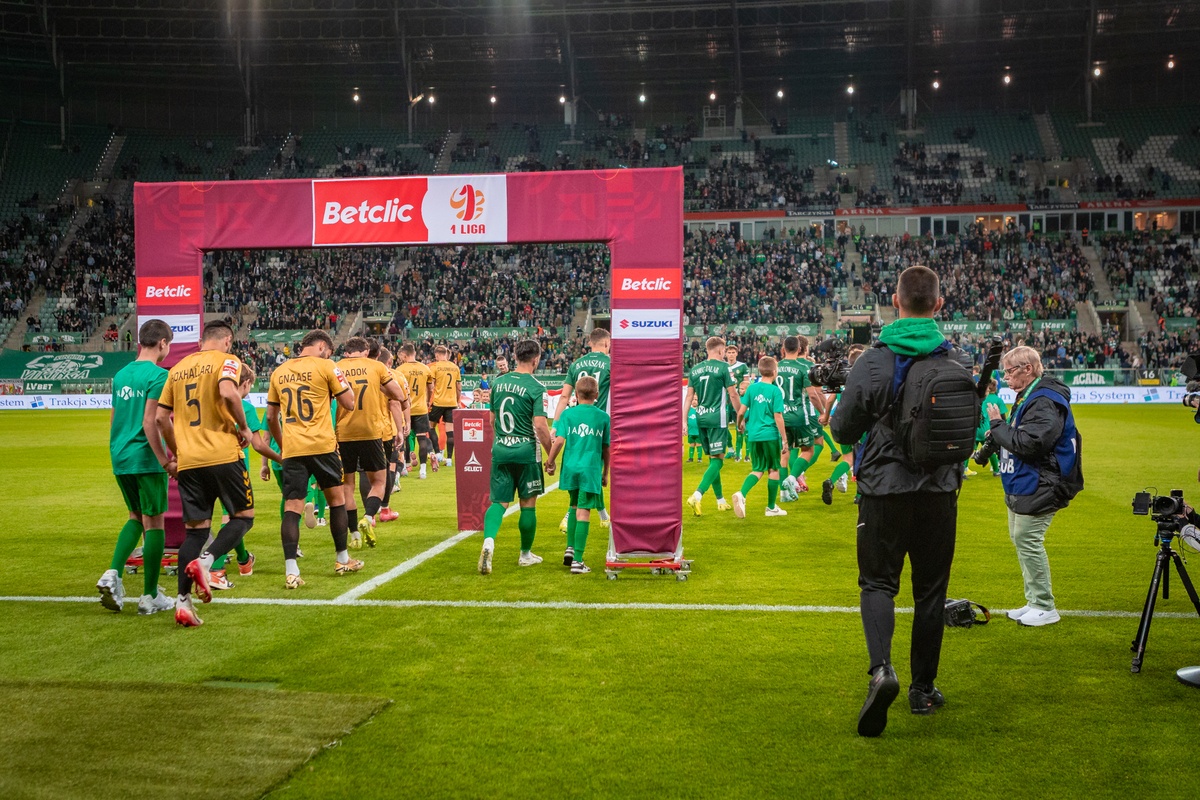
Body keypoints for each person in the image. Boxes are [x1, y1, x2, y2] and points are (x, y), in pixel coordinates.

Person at [831, 265, 967, 737]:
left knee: (877, 584)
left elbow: (842, 429)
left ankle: (882, 671)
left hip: (884, 490)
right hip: (939, 490)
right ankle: (922, 689)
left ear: (895, 302)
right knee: (931, 591)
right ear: (938, 304)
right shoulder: (958, 360)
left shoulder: (872, 361)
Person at [155, 320, 255, 628]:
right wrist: (244, 428)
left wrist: (176, 454)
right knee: (243, 517)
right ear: (227, 340)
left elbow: (161, 419)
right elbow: (228, 392)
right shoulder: (227, 361)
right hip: (222, 454)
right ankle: (207, 561)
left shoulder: (177, 369)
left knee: (196, 532)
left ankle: (183, 603)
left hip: (190, 461)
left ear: (201, 341)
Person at [987, 345, 1079, 628]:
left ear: (1028, 369)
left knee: (1027, 539)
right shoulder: (1031, 395)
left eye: (1009, 371)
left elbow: (1031, 443)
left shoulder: (1043, 400)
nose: (1005, 377)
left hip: (1042, 481)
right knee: (1021, 539)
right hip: (1027, 479)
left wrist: (997, 425)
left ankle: (1044, 605)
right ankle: (1034, 601)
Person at [265, 329, 359, 589]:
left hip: (294, 448)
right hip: (322, 445)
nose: (328, 355)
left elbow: (271, 417)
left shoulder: (279, 371)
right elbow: (349, 402)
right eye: (327, 351)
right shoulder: (327, 366)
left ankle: (291, 571)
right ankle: (342, 559)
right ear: (321, 346)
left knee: (292, 507)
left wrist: (284, 445)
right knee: (337, 501)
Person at [97, 318, 175, 616]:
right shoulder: (159, 376)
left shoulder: (121, 374)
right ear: (163, 343)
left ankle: (113, 573)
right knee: (154, 522)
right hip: (145, 456)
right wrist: (165, 459)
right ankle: (150, 595)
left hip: (120, 454)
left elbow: (114, 418)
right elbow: (152, 420)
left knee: (135, 516)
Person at [477, 339, 552, 575]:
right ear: (536, 360)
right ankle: (525, 555)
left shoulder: (498, 383)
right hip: (526, 452)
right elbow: (540, 426)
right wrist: (551, 455)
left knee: (499, 502)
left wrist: (503, 439)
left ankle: (489, 541)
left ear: (515, 358)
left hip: (501, 449)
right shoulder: (536, 387)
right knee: (528, 504)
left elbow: (491, 420)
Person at [209, 365, 280, 590]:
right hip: (233, 468)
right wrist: (282, 459)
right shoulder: (245, 408)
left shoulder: (212, 405)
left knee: (230, 516)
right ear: (246, 383)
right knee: (235, 518)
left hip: (204, 464)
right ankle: (215, 569)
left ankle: (243, 560)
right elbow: (258, 444)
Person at [335, 337, 405, 550]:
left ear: (346, 352)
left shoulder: (336, 367)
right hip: (371, 431)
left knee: (347, 485)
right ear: (366, 351)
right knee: (379, 482)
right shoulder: (376, 367)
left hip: (344, 432)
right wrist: (380, 388)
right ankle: (368, 517)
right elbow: (399, 395)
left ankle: (354, 534)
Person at [546, 375, 610, 574]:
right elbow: (606, 447)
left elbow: (559, 441)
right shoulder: (603, 417)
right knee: (584, 511)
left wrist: (550, 461)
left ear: (576, 394)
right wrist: (606, 472)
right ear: (597, 394)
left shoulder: (567, 415)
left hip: (570, 468)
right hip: (589, 469)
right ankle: (578, 561)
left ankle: (570, 548)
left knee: (574, 506)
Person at [554, 328, 612, 531]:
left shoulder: (576, 364)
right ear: (607, 344)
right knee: (593, 471)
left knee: (590, 470)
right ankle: (570, 515)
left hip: (575, 424)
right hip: (598, 424)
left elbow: (564, 396)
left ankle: (603, 515)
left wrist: (555, 425)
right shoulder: (611, 364)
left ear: (590, 343)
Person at [684, 337, 742, 515]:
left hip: (701, 418)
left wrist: (684, 420)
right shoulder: (724, 367)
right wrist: (740, 416)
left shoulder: (695, 369)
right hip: (717, 418)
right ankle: (697, 495)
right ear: (720, 350)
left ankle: (720, 500)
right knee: (718, 460)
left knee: (713, 459)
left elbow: (688, 397)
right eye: (724, 351)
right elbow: (733, 395)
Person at [732, 356, 789, 518]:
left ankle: (742, 493)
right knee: (774, 469)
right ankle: (771, 508)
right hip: (770, 435)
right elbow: (778, 416)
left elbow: (741, 412)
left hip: (754, 435)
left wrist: (739, 425)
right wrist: (784, 439)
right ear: (775, 371)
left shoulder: (751, 388)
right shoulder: (775, 391)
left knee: (757, 469)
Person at [777, 335, 826, 495]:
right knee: (809, 449)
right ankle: (794, 477)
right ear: (799, 349)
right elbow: (813, 395)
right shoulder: (804, 367)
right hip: (799, 415)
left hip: (780, 417)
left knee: (785, 452)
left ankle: (784, 493)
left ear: (783, 349)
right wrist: (822, 412)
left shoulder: (776, 367)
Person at [375, 346, 410, 523]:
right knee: (390, 466)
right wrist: (405, 424)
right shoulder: (396, 376)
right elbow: (402, 402)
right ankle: (384, 508)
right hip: (389, 428)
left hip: (366, 429)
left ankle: (370, 512)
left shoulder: (366, 374)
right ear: (389, 361)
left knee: (368, 471)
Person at [397, 344, 435, 478]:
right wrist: (427, 401)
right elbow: (431, 388)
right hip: (421, 409)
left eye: (400, 356)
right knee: (422, 438)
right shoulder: (425, 368)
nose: (400, 359)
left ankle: (404, 467)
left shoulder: (400, 370)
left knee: (404, 438)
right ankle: (423, 470)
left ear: (404, 355)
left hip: (405, 409)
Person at [428, 345, 462, 466]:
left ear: (437, 355)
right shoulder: (455, 367)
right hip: (451, 403)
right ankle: (449, 459)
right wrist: (457, 400)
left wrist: (428, 400)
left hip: (438, 402)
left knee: (430, 426)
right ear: (446, 354)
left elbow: (431, 386)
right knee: (450, 431)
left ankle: (437, 453)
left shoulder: (435, 367)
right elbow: (459, 387)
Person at [977, 378, 1007, 477]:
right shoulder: (998, 400)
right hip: (987, 428)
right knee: (991, 448)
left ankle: (964, 469)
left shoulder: (979, 398)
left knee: (970, 450)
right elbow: (1003, 416)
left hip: (976, 428)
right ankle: (996, 469)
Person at [724, 344, 750, 461]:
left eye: (733, 352)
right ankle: (730, 450)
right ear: (726, 354)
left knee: (739, 425)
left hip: (738, 400)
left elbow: (747, 383)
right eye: (729, 352)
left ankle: (740, 453)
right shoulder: (723, 366)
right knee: (723, 427)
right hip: (725, 400)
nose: (731, 355)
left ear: (736, 353)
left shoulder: (742, 366)